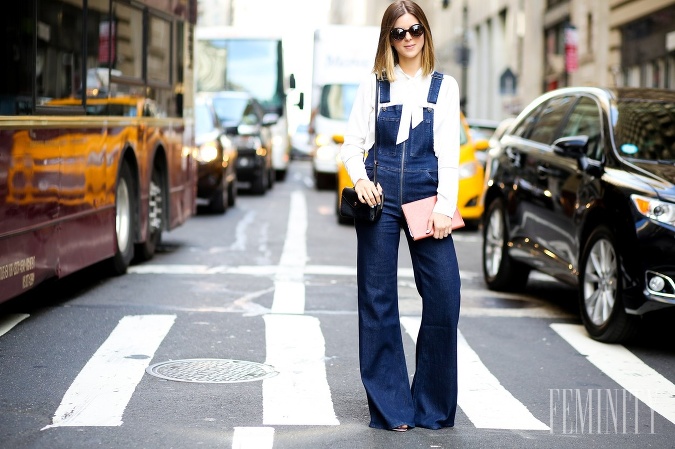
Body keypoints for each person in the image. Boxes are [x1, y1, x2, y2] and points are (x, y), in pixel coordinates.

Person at [339, 0, 461, 432]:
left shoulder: (444, 87)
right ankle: (392, 408)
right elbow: (352, 144)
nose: (407, 39)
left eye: (414, 30)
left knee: (445, 293)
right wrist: (360, 180)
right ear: (387, 38)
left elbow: (450, 153)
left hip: (428, 196)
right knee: (377, 300)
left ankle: (431, 405)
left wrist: (446, 206)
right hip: (381, 194)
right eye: (398, 32)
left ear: (425, 33)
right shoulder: (374, 85)